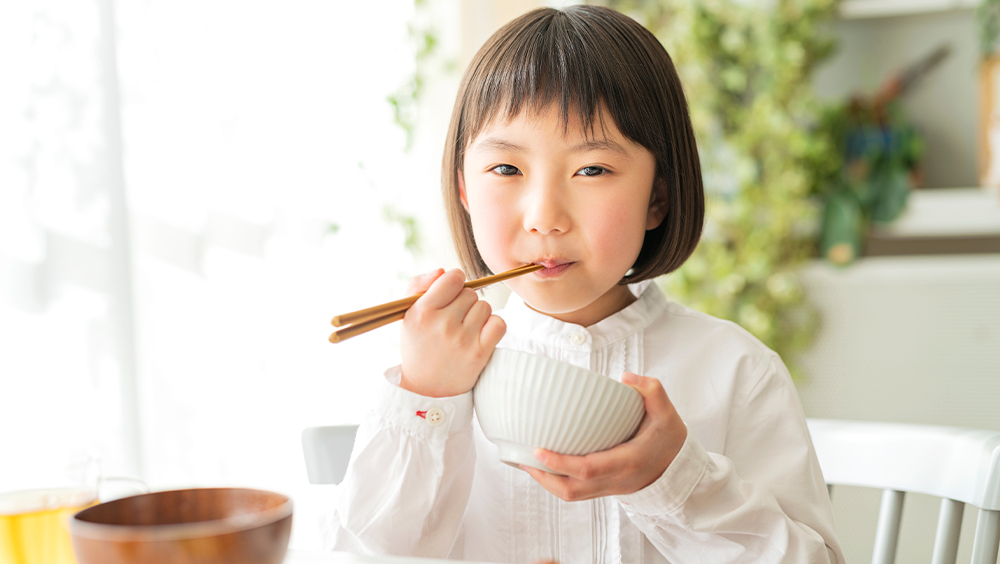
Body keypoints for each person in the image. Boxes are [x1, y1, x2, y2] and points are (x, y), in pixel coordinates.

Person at [326, 5, 845, 563]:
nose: (545, 216)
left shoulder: (736, 371)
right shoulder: (440, 372)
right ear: (464, 191)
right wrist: (426, 400)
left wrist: (676, 479)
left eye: (592, 170)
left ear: (658, 198)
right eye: (506, 170)